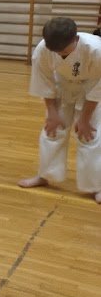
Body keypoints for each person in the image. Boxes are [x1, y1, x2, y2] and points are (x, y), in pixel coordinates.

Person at [18, 17, 101, 204]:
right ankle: (45, 175)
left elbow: (98, 87)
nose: (58, 53)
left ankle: (96, 186)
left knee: (90, 135)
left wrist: (85, 119)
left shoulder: (96, 49)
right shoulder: (42, 50)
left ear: (76, 39)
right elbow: (44, 82)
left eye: (63, 50)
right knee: (52, 131)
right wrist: (52, 113)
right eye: (54, 50)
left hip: (91, 91)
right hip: (62, 88)